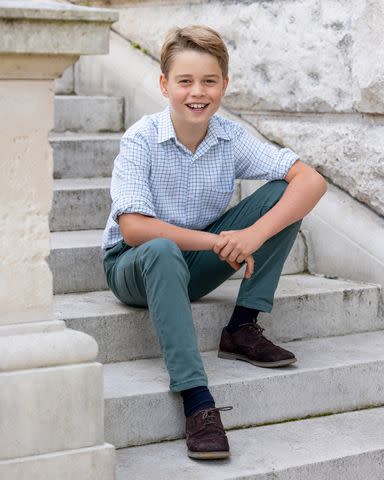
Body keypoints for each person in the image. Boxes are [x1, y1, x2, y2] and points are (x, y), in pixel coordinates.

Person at [102, 25, 327, 460]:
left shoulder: (229, 137)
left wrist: (252, 235)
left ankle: (242, 327)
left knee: (283, 194)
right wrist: (215, 241)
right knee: (162, 249)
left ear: (224, 84)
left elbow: (311, 182)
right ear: (165, 84)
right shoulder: (141, 139)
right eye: (185, 81)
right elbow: (133, 228)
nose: (197, 92)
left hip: (193, 266)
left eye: (209, 81)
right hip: (133, 267)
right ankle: (197, 400)